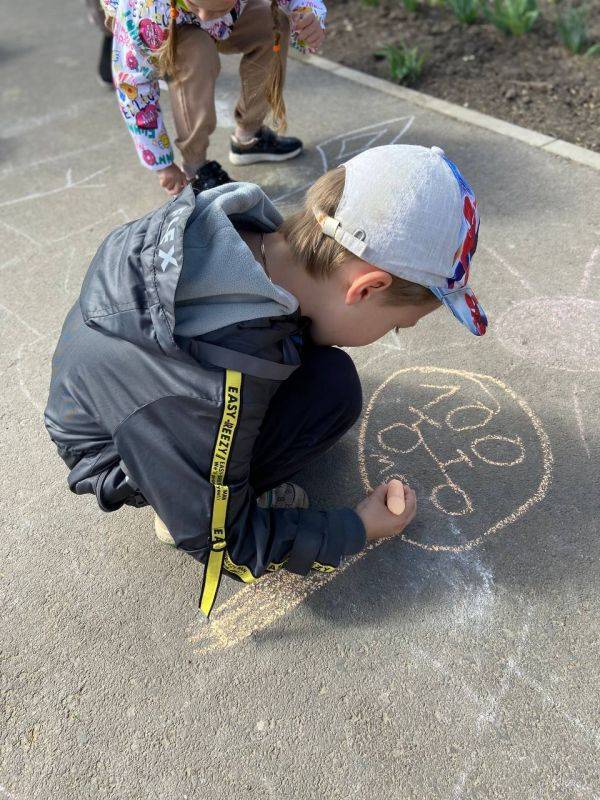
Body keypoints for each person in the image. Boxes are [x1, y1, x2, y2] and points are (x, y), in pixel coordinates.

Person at [44, 144, 486, 618]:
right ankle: (174, 502)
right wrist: (357, 528)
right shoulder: (217, 375)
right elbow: (230, 546)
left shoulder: (249, 236)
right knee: (317, 400)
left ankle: (199, 481)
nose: (390, 335)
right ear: (366, 288)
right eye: (397, 325)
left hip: (142, 396)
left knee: (331, 384)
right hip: (123, 453)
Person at [101, 0, 326, 194]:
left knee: (271, 23)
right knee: (198, 53)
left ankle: (249, 137)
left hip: (228, 12)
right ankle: (196, 168)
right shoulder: (142, 13)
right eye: (198, 5)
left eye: (216, 9)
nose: (205, 18)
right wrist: (162, 164)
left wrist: (309, 16)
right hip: (168, 18)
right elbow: (133, 88)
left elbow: (301, 5)